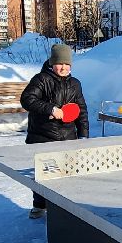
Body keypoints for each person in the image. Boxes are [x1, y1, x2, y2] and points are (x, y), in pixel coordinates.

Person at [20, 42, 89, 218]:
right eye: (60, 63)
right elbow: (27, 99)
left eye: (67, 64)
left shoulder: (75, 84)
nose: (63, 67)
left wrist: (83, 135)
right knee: (44, 175)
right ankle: (39, 204)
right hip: (42, 137)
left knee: (67, 175)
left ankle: (64, 207)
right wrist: (51, 109)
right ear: (52, 63)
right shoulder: (41, 79)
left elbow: (81, 110)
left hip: (68, 137)